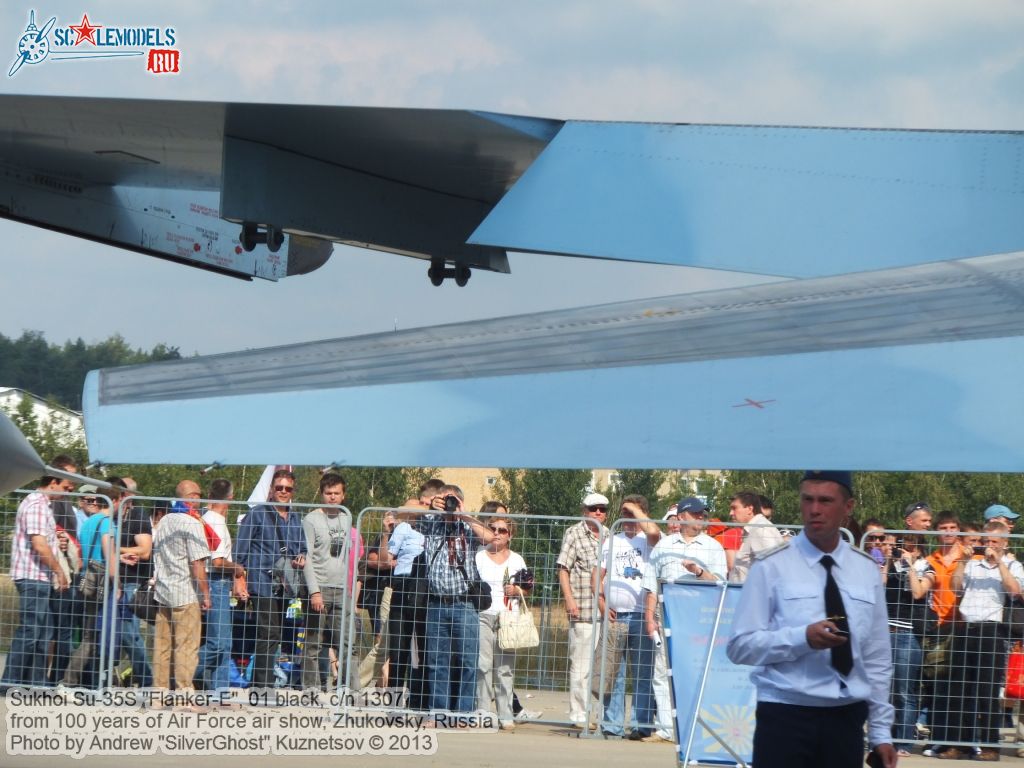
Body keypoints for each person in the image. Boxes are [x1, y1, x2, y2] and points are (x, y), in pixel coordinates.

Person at [727, 471, 896, 768]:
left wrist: (881, 733)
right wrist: (801, 638)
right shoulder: (771, 566)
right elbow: (740, 646)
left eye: (826, 501)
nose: (815, 509)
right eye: (808, 500)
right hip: (785, 715)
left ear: (848, 507)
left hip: (845, 717)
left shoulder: (865, 570)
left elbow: (877, 659)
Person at [935, 519, 1023, 761]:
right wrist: (963, 560)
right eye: (985, 541)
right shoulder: (973, 565)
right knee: (959, 689)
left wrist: (999, 564)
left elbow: (1014, 590)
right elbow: (955, 587)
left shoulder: (1013, 566)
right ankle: (958, 744)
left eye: (994, 541)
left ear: (1004, 543)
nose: (988, 546)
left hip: (991, 631)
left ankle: (990, 746)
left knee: (987, 691)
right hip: (967, 628)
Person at [413, 484, 494, 712]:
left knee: (468, 661)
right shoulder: (431, 523)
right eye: (447, 501)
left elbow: (492, 539)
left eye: (453, 501)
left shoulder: (467, 527)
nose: (449, 505)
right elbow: (401, 513)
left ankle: (464, 713)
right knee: (436, 663)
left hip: (464, 603)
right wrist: (430, 506)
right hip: (436, 603)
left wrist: (464, 515)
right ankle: (438, 712)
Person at [1, 456, 75, 688]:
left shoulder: (43, 506)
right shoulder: (36, 505)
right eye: (66, 486)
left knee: (43, 632)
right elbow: (39, 544)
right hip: (33, 576)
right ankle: (10, 682)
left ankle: (35, 682)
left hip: (39, 576)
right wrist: (58, 571)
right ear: (53, 481)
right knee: (32, 631)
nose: (68, 491)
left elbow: (44, 542)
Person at [864, 518, 934, 758]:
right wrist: (885, 559)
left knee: (905, 691)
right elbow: (880, 585)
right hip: (882, 632)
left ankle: (903, 740)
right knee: (881, 689)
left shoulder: (921, 564)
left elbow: (916, 592)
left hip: (906, 634)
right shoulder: (884, 563)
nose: (903, 548)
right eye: (901, 544)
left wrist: (910, 565)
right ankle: (880, 738)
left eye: (910, 544)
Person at [593, 494, 661, 740]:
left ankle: (641, 725)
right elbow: (597, 574)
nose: (628, 519)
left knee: (642, 672)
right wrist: (601, 602)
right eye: (625, 514)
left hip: (642, 615)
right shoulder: (612, 541)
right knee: (614, 672)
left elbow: (654, 532)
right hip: (615, 615)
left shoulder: (650, 539)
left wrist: (635, 509)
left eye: (632, 514)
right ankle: (612, 725)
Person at [235, 469, 307, 689]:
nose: (283, 492)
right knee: (269, 632)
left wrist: (301, 559)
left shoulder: (295, 518)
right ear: (271, 490)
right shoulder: (257, 514)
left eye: (288, 488)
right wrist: (239, 580)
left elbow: (301, 548)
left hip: (284, 585)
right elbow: (240, 550)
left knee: (274, 633)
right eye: (279, 488)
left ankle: (261, 682)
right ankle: (263, 686)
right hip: (262, 582)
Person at [302, 472, 361, 690]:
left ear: (344, 495)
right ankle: (311, 690)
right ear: (322, 494)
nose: (332, 497)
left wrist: (351, 591)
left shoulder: (347, 518)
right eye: (328, 493)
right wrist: (314, 591)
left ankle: (350, 690)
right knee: (314, 644)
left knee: (347, 642)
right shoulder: (311, 519)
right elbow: (306, 556)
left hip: (341, 588)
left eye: (337, 493)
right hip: (319, 586)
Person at [151, 479, 211, 692]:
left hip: (164, 592)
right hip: (185, 594)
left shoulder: (165, 520)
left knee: (162, 648)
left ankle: (159, 694)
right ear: (193, 497)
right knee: (186, 648)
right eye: (199, 495)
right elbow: (197, 563)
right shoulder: (192, 522)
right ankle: (184, 695)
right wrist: (206, 594)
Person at [475, 503, 531, 731]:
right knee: (483, 665)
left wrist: (517, 590)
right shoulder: (478, 556)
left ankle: (506, 713)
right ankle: (482, 712)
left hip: (508, 617)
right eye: (493, 528)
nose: (497, 534)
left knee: (505, 669)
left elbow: (528, 588)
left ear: (510, 535)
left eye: (502, 530)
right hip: (482, 615)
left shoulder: (517, 560)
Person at [556, 491, 610, 727]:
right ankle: (579, 714)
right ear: (584, 511)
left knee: (599, 667)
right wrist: (569, 600)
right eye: (593, 508)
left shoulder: (610, 535)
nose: (598, 512)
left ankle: (596, 714)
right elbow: (563, 568)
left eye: (602, 509)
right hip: (583, 608)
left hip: (606, 610)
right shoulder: (574, 533)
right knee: (580, 664)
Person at [195, 478, 245, 692]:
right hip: (216, 583)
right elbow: (217, 562)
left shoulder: (210, 519)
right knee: (219, 643)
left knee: (225, 644)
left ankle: (220, 692)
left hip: (217, 584)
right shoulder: (214, 522)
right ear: (231, 497)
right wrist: (237, 569)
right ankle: (180, 673)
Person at [113, 480, 154, 688]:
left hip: (131, 582)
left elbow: (144, 550)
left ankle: (147, 679)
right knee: (107, 631)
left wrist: (111, 548)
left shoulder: (138, 515)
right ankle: (110, 675)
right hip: (109, 580)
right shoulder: (109, 515)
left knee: (129, 632)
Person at [728, 491, 784, 583]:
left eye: (734, 508)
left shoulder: (760, 530)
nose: (731, 513)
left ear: (750, 509)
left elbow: (772, 570)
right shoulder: (755, 528)